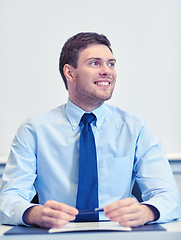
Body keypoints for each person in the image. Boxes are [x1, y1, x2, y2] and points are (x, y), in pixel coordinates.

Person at [0, 32, 180, 228]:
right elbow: (8, 199)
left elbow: (168, 196)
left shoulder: (135, 128)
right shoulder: (33, 130)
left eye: (111, 64)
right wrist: (34, 214)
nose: (107, 71)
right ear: (70, 73)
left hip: (119, 234)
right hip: (56, 234)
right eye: (95, 63)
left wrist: (146, 211)